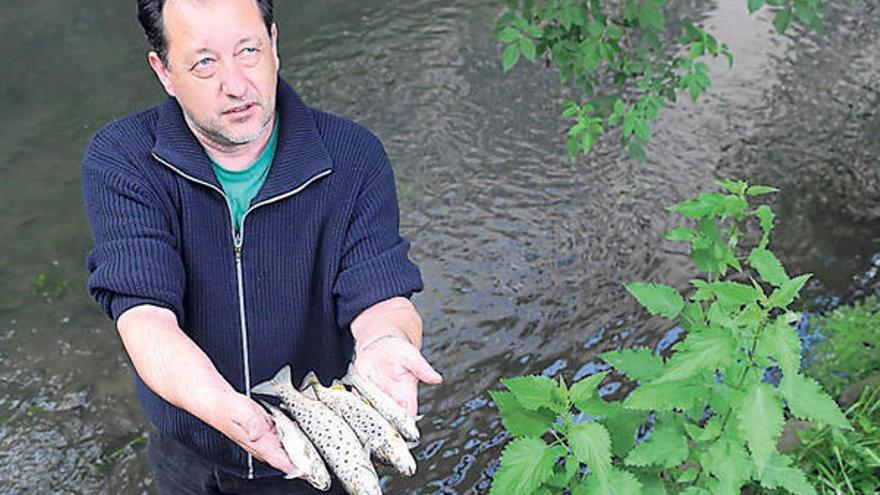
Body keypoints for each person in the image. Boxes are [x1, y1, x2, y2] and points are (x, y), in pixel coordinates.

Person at [80, 0, 442, 493]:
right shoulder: (123, 159)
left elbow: (380, 292)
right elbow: (144, 316)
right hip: (193, 448)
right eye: (204, 62)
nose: (235, 84)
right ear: (163, 70)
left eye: (247, 50)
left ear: (273, 44)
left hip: (322, 446)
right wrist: (226, 411)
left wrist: (384, 343)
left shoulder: (354, 156)